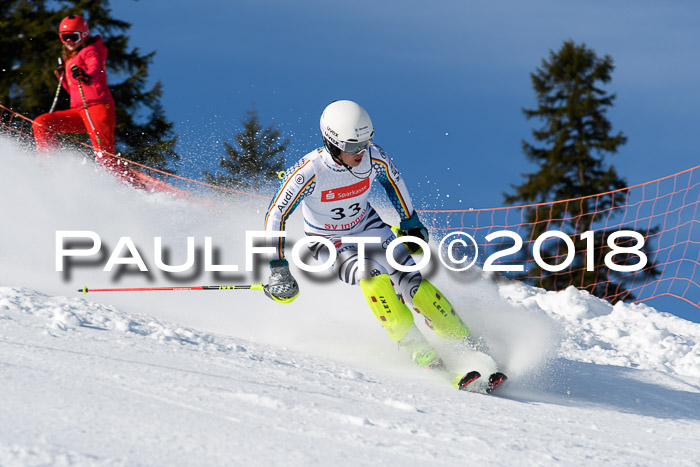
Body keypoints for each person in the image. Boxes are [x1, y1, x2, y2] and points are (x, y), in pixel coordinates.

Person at [263, 100, 506, 390]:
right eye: (353, 147)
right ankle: (423, 353)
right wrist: (278, 267)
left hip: (369, 227)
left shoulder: (373, 157)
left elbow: (393, 183)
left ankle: (471, 348)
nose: (360, 152)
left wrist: (410, 223)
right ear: (331, 143)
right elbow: (276, 213)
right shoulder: (309, 171)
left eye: (366, 143)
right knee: (372, 278)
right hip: (328, 241)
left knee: (417, 287)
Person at [33, 15, 127, 180]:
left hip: (97, 108)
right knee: (41, 123)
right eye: (64, 37)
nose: (69, 41)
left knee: (105, 156)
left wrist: (87, 75)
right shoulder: (70, 59)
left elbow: (96, 68)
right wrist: (61, 74)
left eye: (73, 36)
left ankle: (135, 188)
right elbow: (74, 89)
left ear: (84, 36)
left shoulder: (90, 51)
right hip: (79, 111)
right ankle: (51, 166)